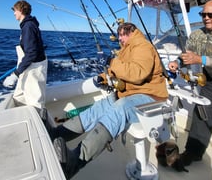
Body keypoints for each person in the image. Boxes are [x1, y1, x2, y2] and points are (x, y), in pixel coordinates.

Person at [52, 22, 168, 179]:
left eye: (121, 35)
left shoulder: (143, 46)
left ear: (130, 33)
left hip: (151, 97)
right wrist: (103, 79)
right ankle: (57, 134)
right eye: (118, 35)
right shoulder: (126, 50)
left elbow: (137, 73)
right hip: (129, 94)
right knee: (97, 108)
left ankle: (75, 161)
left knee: (120, 109)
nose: (119, 38)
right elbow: (116, 71)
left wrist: (111, 61)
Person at [168, 0, 212, 166]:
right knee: (201, 114)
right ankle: (192, 153)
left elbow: (200, 58)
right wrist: (177, 62)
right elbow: (187, 55)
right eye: (203, 14)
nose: (206, 18)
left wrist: (201, 59)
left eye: (210, 14)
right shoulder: (197, 35)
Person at [3, 0, 48, 119]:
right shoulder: (29, 25)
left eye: (15, 10)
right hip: (28, 66)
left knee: (35, 103)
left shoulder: (28, 26)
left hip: (34, 69)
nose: (14, 13)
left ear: (21, 10)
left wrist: (15, 74)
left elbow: (31, 53)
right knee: (19, 96)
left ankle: (40, 128)